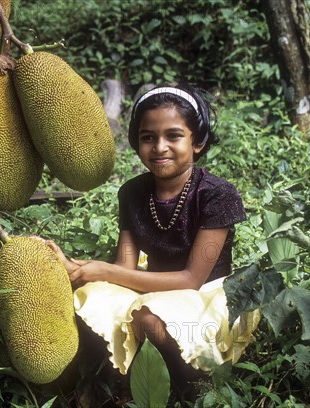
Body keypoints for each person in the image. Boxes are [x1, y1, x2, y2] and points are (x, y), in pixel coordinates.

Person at [47, 85, 259, 400]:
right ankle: (103, 386)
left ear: (197, 142)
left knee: (149, 320)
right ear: (137, 143)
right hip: (153, 286)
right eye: (148, 137)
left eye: (173, 136)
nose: (160, 147)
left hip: (208, 295)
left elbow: (191, 279)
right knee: (86, 295)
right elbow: (124, 267)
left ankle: (195, 389)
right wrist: (73, 268)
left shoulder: (217, 194)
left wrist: (103, 271)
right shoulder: (132, 193)